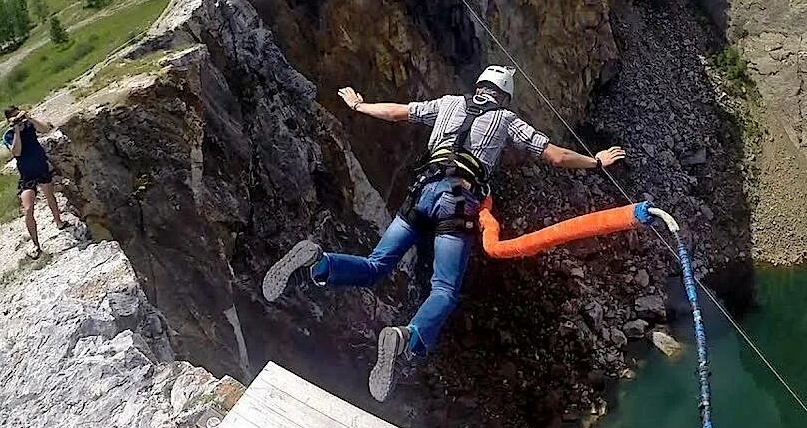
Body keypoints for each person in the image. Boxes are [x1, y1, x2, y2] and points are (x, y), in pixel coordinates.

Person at [262, 66, 626, 401]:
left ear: (480, 87)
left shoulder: (449, 103)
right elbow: (556, 156)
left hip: (422, 191)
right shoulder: (506, 119)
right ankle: (407, 336)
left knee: (376, 265)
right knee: (445, 289)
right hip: (458, 203)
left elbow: (397, 113)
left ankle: (320, 262)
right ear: (505, 96)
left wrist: (359, 106)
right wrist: (595, 161)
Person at [1, 106, 67, 258]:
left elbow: (45, 129)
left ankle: (58, 221)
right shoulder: (9, 135)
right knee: (28, 208)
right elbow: (16, 152)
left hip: (40, 167)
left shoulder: (30, 126)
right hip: (27, 175)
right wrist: (16, 129)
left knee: (50, 196)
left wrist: (29, 118)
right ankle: (36, 244)